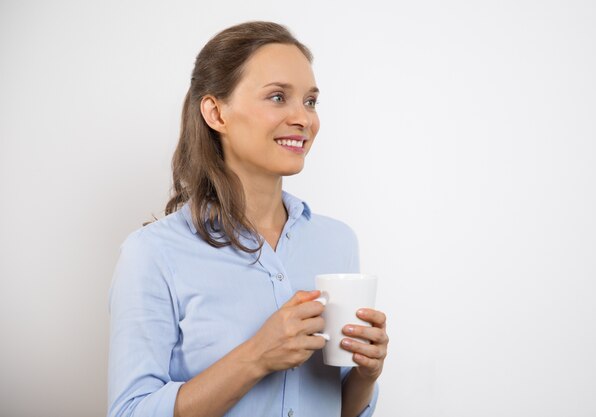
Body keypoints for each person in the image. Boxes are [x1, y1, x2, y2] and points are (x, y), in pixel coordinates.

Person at [107, 21, 389, 417]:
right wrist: (257, 356)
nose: (303, 119)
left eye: (310, 101)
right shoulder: (152, 254)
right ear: (216, 112)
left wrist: (365, 374)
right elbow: (130, 412)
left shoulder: (337, 242)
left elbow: (336, 407)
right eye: (277, 97)